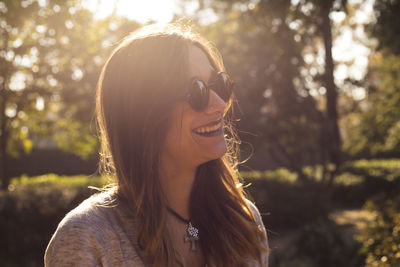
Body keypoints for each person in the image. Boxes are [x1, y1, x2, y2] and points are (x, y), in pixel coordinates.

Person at [44, 23, 269, 267]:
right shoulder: (87, 239)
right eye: (197, 91)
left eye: (219, 84)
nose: (218, 104)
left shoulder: (243, 221)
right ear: (144, 115)